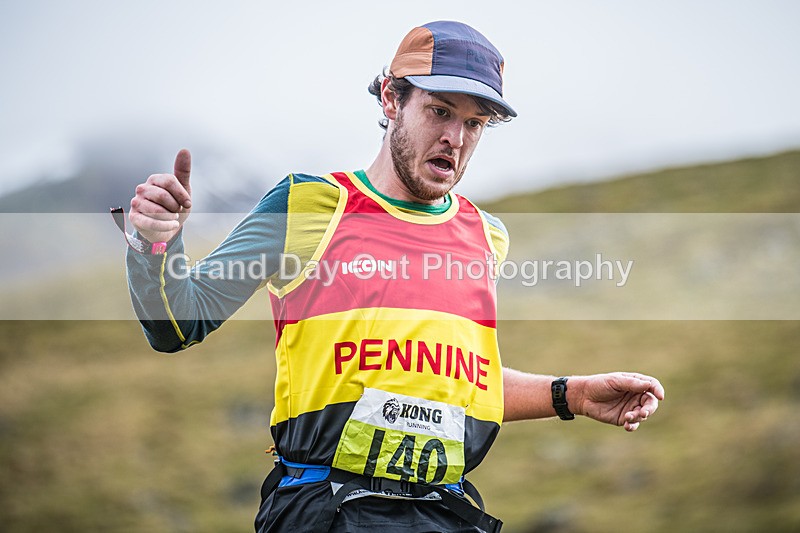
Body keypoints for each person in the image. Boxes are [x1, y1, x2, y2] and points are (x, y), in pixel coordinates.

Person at [122, 21, 665, 533]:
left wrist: (573, 394)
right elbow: (175, 324)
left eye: (474, 122)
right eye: (439, 110)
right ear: (390, 99)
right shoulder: (310, 206)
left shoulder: (485, 235)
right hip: (324, 510)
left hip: (445, 512)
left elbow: (457, 386)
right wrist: (155, 242)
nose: (455, 137)